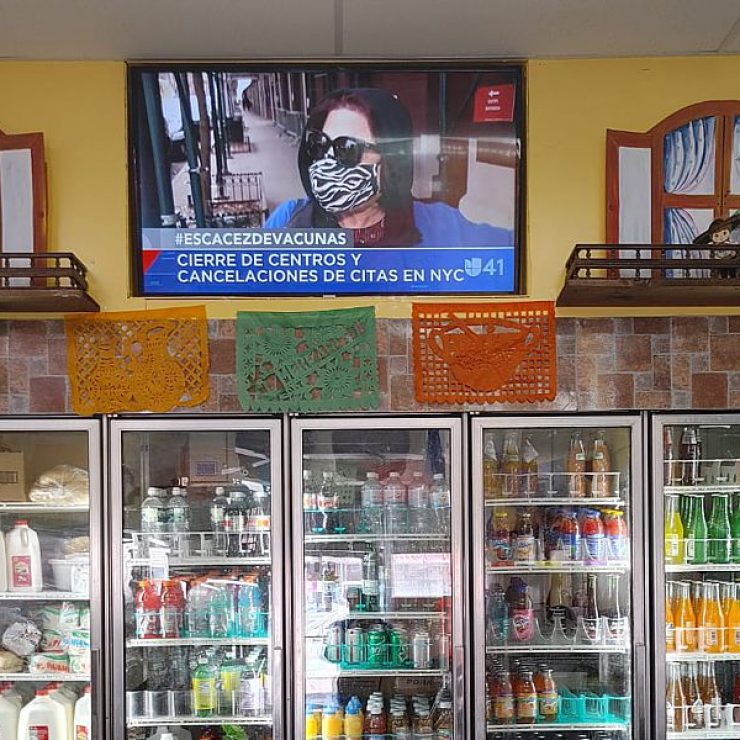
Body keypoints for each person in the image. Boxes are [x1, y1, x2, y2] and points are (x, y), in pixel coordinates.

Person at [264, 87, 513, 248]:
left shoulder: (440, 225)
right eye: (319, 145)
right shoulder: (288, 220)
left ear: (392, 161)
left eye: (347, 148)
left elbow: (516, 250)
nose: (326, 161)